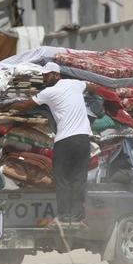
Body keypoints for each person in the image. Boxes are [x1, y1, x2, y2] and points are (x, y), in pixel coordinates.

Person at [9, 62, 106, 225]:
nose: (44, 78)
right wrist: (106, 95)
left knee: (62, 178)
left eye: (46, 75)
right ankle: (77, 215)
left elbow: (26, 105)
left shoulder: (49, 92)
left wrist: (10, 106)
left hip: (65, 141)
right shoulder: (75, 84)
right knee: (78, 177)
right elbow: (91, 86)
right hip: (83, 140)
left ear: (55, 74)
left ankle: (64, 215)